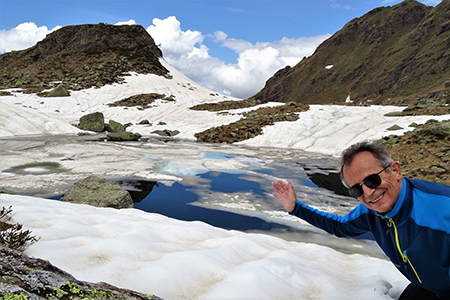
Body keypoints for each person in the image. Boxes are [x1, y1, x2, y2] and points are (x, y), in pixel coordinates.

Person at [272, 141, 450, 300]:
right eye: (356, 189)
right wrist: (296, 208)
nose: (368, 192)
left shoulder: (442, 210)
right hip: (429, 288)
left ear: (395, 170)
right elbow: (340, 226)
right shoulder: (370, 211)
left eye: (372, 180)